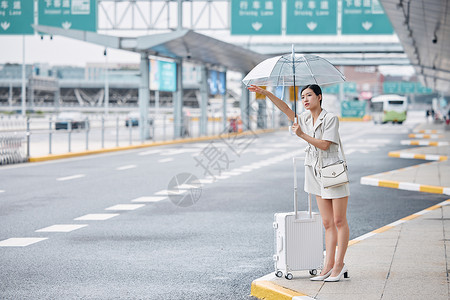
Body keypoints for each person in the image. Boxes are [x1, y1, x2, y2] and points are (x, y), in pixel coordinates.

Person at [248, 84, 350, 282]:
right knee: (327, 222)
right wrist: (267, 93)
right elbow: (286, 109)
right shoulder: (303, 118)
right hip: (314, 171)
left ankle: (339, 264)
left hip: (332, 170)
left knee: (339, 221)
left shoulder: (330, 119)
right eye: (302, 96)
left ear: (319, 97)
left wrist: (301, 135)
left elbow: (325, 144)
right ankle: (327, 265)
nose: (305, 99)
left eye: (309, 95)